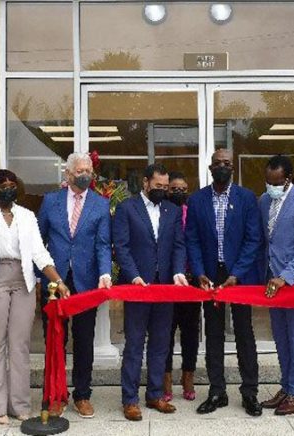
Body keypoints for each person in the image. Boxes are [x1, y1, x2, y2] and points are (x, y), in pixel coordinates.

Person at [0, 169, 70, 425]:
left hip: (23, 282)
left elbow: (39, 253)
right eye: (2, 185)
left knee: (20, 345)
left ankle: (20, 405)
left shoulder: (27, 216)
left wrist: (58, 280)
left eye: (12, 184)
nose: (8, 189)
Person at [185, 149, 263, 417]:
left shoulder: (246, 198)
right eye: (217, 163)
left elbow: (253, 239)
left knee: (244, 332)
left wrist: (238, 273)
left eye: (227, 164)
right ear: (210, 168)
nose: (222, 167)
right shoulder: (197, 200)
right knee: (214, 334)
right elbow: (192, 240)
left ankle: (250, 392)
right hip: (210, 277)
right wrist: (198, 272)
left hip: (238, 277)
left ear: (233, 168)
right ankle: (217, 391)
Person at [37, 152, 113, 418]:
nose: (85, 174)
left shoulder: (100, 205)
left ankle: (82, 394)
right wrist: (41, 277)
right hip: (54, 283)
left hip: (86, 281)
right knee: (55, 341)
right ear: (68, 174)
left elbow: (103, 244)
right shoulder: (50, 202)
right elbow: (39, 243)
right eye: (79, 170)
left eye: (88, 170)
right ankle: (55, 395)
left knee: (84, 340)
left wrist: (105, 273)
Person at [113, 163, 187, 421]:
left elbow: (179, 245)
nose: (163, 190)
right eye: (158, 186)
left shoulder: (172, 210)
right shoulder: (126, 208)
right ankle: (130, 399)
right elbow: (121, 247)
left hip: (165, 286)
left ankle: (155, 394)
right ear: (145, 183)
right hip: (137, 287)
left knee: (160, 344)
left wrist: (178, 271)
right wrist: (134, 276)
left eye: (165, 187)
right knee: (134, 344)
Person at [259, 155, 294, 415]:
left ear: (288, 179)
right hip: (271, 282)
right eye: (267, 181)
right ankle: (286, 386)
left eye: (275, 182)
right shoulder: (263, 201)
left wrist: (285, 276)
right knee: (280, 339)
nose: (270, 186)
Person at [163, 171, 200, 402]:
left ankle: (188, 377)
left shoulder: (192, 212)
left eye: (183, 189)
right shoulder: (163, 213)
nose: (179, 192)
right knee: (166, 332)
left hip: (191, 280)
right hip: (167, 280)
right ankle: (165, 380)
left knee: (190, 332)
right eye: (174, 188)